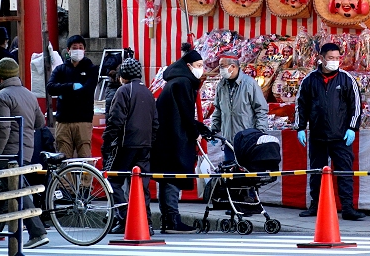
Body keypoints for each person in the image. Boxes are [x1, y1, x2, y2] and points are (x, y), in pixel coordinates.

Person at [0, 58, 49, 249]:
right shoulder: (29, 94)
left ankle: (38, 232)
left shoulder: (2, 97)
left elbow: (2, 131)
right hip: (26, 150)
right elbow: (40, 123)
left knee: (17, 190)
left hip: (8, 152)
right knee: (8, 191)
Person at [295, 42, 365, 221]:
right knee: (317, 172)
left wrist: (352, 128)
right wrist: (300, 127)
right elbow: (301, 105)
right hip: (318, 135)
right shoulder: (309, 80)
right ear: (321, 58)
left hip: (341, 137)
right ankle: (315, 205)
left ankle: (348, 208)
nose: (335, 61)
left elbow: (356, 106)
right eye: (330, 58)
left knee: (344, 172)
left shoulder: (347, 79)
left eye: (337, 58)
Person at [152, 44, 210, 233]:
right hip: (174, 138)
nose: (201, 68)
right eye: (198, 64)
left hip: (167, 137)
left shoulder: (175, 81)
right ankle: (172, 220)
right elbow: (186, 114)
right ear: (188, 65)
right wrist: (196, 133)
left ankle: (168, 219)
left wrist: (198, 127)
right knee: (173, 177)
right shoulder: (183, 83)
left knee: (167, 178)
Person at [103, 58, 158, 234]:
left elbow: (115, 120)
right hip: (145, 144)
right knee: (141, 183)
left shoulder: (124, 91)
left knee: (114, 181)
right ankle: (146, 221)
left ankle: (125, 217)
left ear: (123, 76)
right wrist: (150, 140)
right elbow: (155, 122)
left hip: (126, 143)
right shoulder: (148, 92)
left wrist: (108, 140)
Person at [46, 35, 98, 158]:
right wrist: (71, 86)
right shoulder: (60, 70)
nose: (78, 50)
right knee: (63, 157)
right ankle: (65, 178)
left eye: (81, 47)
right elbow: (51, 88)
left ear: (84, 50)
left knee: (85, 156)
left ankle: (85, 178)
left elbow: (87, 91)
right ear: (68, 50)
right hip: (64, 120)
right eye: (75, 47)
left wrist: (63, 92)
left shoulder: (92, 69)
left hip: (83, 120)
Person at [210, 54, 268, 153]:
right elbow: (218, 109)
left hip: (247, 140)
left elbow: (261, 109)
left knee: (246, 168)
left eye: (222, 66)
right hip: (228, 141)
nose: (220, 69)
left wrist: (259, 133)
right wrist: (213, 130)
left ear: (232, 66)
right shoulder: (221, 85)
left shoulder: (249, 84)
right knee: (229, 166)